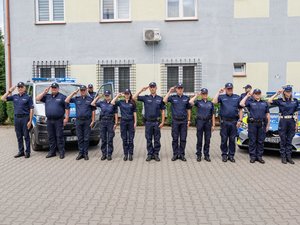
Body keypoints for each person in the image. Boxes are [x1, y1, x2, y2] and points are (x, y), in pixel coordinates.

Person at [36, 82, 70, 159]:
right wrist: (44, 92)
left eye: (55, 88)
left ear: (58, 89)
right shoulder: (47, 96)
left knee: (59, 136)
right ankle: (52, 152)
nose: (53, 89)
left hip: (58, 120)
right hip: (49, 120)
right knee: (51, 137)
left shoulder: (62, 97)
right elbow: (37, 99)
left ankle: (61, 152)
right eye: (52, 88)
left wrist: (66, 118)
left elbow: (67, 108)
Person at [133, 82, 165, 162]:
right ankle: (150, 154)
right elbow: (133, 98)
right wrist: (141, 90)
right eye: (151, 87)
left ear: (156, 88)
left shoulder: (160, 98)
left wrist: (163, 122)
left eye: (153, 87)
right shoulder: (146, 98)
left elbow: (163, 111)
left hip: (157, 122)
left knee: (157, 139)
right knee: (149, 139)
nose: (152, 88)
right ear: (149, 88)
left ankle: (156, 154)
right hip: (148, 122)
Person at [1, 82, 34, 158]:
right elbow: (3, 98)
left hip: (25, 118)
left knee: (26, 136)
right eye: (18, 87)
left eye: (21, 87)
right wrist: (9, 91)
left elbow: (31, 109)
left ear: (24, 88)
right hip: (17, 119)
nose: (20, 88)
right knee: (19, 136)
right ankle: (21, 151)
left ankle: (27, 152)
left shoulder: (28, 97)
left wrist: (30, 121)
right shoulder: (15, 96)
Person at [213, 83, 243, 162]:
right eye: (228, 89)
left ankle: (231, 155)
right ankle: (224, 155)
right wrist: (219, 92)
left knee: (232, 139)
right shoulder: (222, 97)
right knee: (224, 139)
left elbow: (240, 110)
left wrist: (240, 120)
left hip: (234, 122)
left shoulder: (237, 97)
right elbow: (214, 101)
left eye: (231, 88)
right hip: (224, 122)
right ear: (225, 89)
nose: (230, 90)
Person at [268, 86, 299, 164]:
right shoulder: (280, 101)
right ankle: (283, 157)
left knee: (289, 140)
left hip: (292, 121)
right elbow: (269, 101)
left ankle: (289, 157)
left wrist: (296, 123)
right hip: (283, 121)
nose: (289, 93)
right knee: (283, 140)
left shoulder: (295, 101)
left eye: (290, 92)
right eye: (287, 92)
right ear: (284, 92)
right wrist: (277, 94)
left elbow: (296, 113)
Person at [65, 85, 96, 161]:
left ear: (86, 91)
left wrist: (93, 120)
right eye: (81, 90)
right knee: (80, 137)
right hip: (79, 121)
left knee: (86, 138)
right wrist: (74, 93)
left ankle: (85, 154)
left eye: (84, 90)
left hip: (87, 121)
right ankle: (80, 153)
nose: (82, 92)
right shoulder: (76, 98)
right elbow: (66, 100)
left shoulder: (90, 99)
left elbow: (93, 111)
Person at [240, 89, 270, 164]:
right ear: (253, 94)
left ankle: (259, 157)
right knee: (252, 141)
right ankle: (253, 157)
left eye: (258, 93)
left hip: (262, 124)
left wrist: (268, 125)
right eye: (256, 94)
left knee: (260, 141)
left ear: (260, 94)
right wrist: (247, 96)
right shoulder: (250, 102)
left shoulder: (264, 103)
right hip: (252, 124)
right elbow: (241, 103)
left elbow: (268, 115)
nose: (257, 95)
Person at [163, 83, 192, 161]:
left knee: (183, 139)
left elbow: (189, 109)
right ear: (176, 89)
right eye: (178, 88)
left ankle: (182, 154)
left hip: (184, 121)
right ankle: (175, 154)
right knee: (175, 139)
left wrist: (189, 120)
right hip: (175, 121)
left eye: (181, 88)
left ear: (183, 89)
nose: (180, 89)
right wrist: (169, 91)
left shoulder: (186, 98)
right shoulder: (172, 98)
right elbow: (164, 100)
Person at [189, 88, 215, 162]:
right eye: (203, 93)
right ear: (201, 94)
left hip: (208, 123)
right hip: (200, 122)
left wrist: (213, 125)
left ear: (207, 94)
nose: (204, 95)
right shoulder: (198, 102)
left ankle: (206, 155)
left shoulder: (210, 103)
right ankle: (199, 155)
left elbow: (213, 114)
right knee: (199, 139)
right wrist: (197, 95)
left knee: (207, 140)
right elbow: (190, 102)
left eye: (206, 93)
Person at [91, 90, 118, 161]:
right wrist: (98, 97)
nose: (107, 97)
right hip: (103, 122)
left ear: (110, 95)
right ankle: (104, 154)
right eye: (105, 95)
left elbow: (116, 113)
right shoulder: (101, 103)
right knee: (103, 139)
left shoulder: (113, 103)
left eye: (108, 95)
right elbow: (92, 104)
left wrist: (116, 123)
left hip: (110, 122)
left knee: (110, 139)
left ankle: (109, 154)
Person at [111, 89, 137, 161]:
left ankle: (130, 154)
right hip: (123, 122)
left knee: (131, 139)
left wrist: (135, 122)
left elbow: (134, 113)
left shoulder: (132, 102)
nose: (126, 95)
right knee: (124, 139)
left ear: (130, 94)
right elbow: (112, 102)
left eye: (128, 93)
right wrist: (118, 96)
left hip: (131, 122)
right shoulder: (121, 102)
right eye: (125, 93)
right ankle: (126, 154)